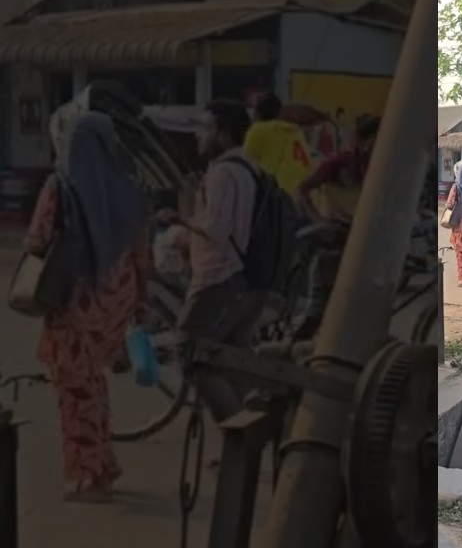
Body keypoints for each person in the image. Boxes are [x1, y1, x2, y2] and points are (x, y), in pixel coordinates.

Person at [25, 113, 150, 502]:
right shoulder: (127, 189)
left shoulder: (60, 186)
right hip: (115, 304)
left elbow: (36, 240)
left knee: (75, 390)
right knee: (93, 382)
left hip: (74, 303)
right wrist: (140, 302)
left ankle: (86, 475)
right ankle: (104, 463)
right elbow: (143, 255)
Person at [158, 100, 262, 424]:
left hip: (219, 279)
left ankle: (237, 434)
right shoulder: (248, 168)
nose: (197, 136)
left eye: (205, 128)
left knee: (189, 352)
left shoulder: (221, 173)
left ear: (223, 133)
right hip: (243, 278)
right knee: (233, 365)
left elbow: (217, 229)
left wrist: (180, 220)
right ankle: (245, 446)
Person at [298, 115, 380, 223]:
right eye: (372, 146)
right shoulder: (340, 163)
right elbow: (303, 189)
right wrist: (317, 218)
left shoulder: (381, 168)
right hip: (337, 229)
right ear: (360, 141)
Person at [243, 92, 312, 199]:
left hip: (277, 194)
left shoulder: (258, 129)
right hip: (303, 192)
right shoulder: (295, 131)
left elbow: (245, 164)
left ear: (257, 112)